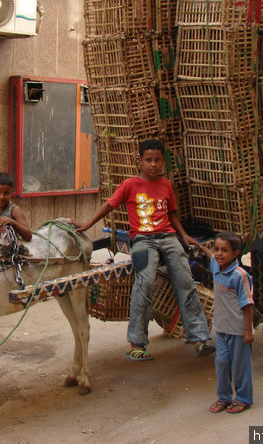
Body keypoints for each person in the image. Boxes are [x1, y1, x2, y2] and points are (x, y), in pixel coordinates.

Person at [72, 138, 213, 361]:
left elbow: (172, 214)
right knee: (144, 284)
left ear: (163, 162)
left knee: (186, 282)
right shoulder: (129, 185)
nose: (153, 164)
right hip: (142, 241)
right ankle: (137, 344)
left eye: (158, 160)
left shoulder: (166, 184)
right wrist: (87, 225)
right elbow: (109, 205)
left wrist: (184, 235)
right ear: (140, 161)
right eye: (149, 160)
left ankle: (199, 338)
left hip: (168, 237)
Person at [190, 232, 254, 414]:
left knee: (241, 367)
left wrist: (248, 331)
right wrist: (201, 246)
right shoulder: (217, 267)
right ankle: (224, 397)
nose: (218, 254)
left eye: (224, 251)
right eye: (217, 249)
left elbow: (248, 304)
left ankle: (243, 398)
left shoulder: (239, 275)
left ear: (235, 254)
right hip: (222, 329)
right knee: (222, 364)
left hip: (239, 330)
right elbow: (210, 257)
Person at [0, 172, 32, 241]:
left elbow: (28, 236)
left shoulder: (14, 210)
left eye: (6, 193)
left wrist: (13, 222)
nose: (2, 197)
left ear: (11, 192)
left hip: (11, 248)